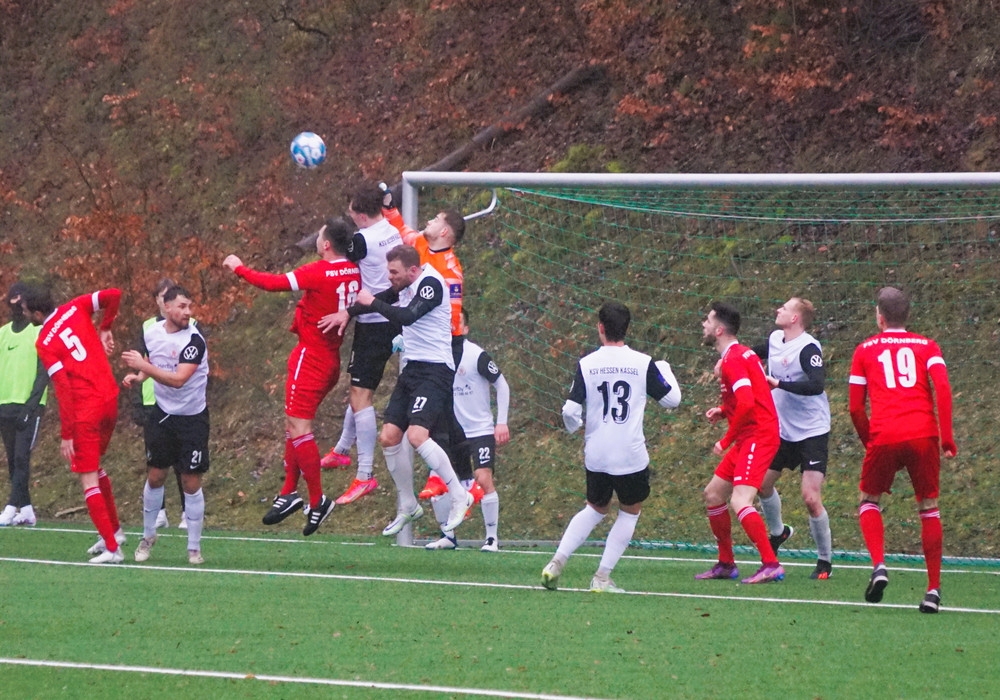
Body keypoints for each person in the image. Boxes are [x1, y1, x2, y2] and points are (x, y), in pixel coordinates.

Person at [322, 244, 473, 537]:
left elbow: (407, 316)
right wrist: (348, 312)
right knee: (389, 437)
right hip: (412, 370)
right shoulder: (404, 285)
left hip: (435, 370)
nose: (390, 277)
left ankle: (459, 495)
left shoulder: (430, 284)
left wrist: (371, 302)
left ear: (412, 270)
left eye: (394, 272)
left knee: (417, 436)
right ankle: (408, 505)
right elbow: (380, 299)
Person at [223, 218, 361, 536]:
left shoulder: (319, 271)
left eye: (320, 236)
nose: (317, 240)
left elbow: (273, 283)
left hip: (310, 358)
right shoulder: (354, 270)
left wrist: (239, 268)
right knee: (294, 424)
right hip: (330, 359)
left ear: (327, 244)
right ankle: (288, 492)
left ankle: (317, 500)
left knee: (299, 427)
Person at [541, 302, 681, 593]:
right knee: (629, 512)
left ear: (600, 328)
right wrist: (665, 369)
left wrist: (576, 426)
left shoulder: (587, 363)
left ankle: (556, 563)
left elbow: (569, 410)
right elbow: (672, 400)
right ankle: (602, 577)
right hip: (630, 454)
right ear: (627, 329)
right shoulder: (643, 363)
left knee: (594, 508)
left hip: (597, 453)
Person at [848, 286, 956, 613]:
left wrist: (870, 442)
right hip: (924, 433)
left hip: (885, 434)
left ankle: (879, 565)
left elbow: (855, 408)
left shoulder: (864, 350)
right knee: (929, 506)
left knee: (868, 499)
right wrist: (947, 438)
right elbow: (943, 388)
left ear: (879, 317)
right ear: (907, 315)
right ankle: (933, 590)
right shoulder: (927, 345)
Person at [23, 284, 126, 564]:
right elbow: (114, 295)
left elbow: (63, 387)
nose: (26, 316)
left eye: (27, 312)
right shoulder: (76, 307)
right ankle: (114, 531)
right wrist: (106, 327)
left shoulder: (45, 342)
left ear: (37, 313)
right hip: (110, 399)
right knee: (96, 466)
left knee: (88, 478)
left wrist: (67, 433)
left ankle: (113, 549)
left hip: (86, 411)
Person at [319, 184, 402, 506]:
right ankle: (342, 449)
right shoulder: (391, 229)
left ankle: (365, 475)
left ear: (362, 215)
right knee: (359, 389)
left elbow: (337, 253)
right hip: (389, 317)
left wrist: (347, 311)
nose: (351, 218)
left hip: (375, 322)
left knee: (361, 395)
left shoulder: (363, 240)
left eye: (352, 213)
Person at [697, 301, 784, 584]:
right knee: (713, 494)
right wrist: (724, 411)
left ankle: (771, 564)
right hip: (751, 434)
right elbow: (751, 395)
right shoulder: (742, 354)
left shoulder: (734, 359)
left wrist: (725, 440)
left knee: (740, 499)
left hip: (758, 435)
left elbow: (747, 403)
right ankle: (726, 563)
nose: (704, 324)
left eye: (708, 320)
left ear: (719, 330)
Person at [121, 286, 210, 564]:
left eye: (189, 306)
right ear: (166, 307)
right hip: (162, 415)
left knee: (190, 481)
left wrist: (143, 367)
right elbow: (152, 359)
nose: (187, 312)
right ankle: (148, 536)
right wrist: (139, 376)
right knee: (156, 475)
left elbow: (178, 380)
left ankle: (193, 547)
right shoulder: (152, 332)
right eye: (182, 306)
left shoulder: (194, 340)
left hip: (192, 418)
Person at [753, 298, 834, 580]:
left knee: (811, 498)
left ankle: (824, 561)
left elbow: (816, 384)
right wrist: (726, 360)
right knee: (761, 484)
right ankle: (779, 532)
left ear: (796, 318)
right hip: (783, 431)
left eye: (785, 308)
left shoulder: (808, 348)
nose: (779, 310)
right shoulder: (775, 339)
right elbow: (748, 355)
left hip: (812, 430)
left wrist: (779, 384)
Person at [425, 308, 510, 552]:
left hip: (479, 429)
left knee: (483, 478)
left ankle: (491, 538)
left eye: (458, 322)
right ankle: (447, 535)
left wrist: (501, 422)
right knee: (438, 481)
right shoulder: (438, 355)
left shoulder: (476, 355)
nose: (452, 325)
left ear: (466, 328)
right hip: (450, 431)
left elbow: (502, 385)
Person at [131, 278, 189, 530]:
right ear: (157, 301)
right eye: (161, 297)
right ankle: (159, 512)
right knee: (156, 461)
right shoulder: (147, 327)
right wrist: (137, 400)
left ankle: (187, 512)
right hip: (152, 401)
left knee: (182, 461)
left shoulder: (188, 326)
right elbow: (140, 362)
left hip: (179, 402)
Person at [0, 282, 48, 527]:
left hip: (29, 406)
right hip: (5, 404)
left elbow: (44, 372)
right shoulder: (2, 334)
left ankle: (11, 507)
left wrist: (32, 404)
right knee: (12, 459)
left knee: (21, 457)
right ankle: (27, 509)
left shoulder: (39, 333)